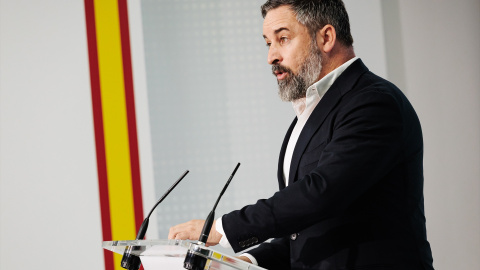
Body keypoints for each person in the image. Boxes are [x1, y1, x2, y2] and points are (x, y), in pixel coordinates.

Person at [169, 0, 434, 269]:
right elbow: (302, 234)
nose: (271, 56)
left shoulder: (373, 102)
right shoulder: (308, 116)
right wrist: (241, 262)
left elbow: (322, 193)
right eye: (268, 43)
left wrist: (222, 229)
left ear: (326, 37)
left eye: (282, 39)